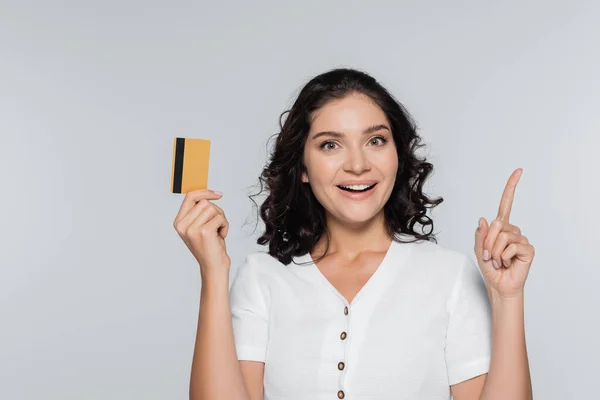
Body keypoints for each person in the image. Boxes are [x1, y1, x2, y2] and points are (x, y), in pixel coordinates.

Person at [174, 68, 534, 400]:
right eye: (330, 144)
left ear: (397, 155)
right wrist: (213, 272)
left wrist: (508, 299)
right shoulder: (262, 278)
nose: (358, 164)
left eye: (376, 140)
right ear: (302, 167)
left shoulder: (451, 276)